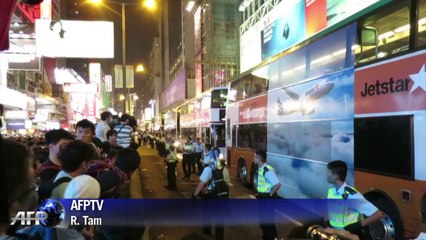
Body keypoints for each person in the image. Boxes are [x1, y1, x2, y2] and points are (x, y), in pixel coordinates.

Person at [326, 160, 383, 237]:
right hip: (334, 233)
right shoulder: (331, 191)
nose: (326, 175)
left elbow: (377, 214)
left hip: (347, 235)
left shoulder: (352, 195)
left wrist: (356, 226)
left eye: (328, 172)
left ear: (336, 176)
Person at [192, 143, 230, 240]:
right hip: (221, 197)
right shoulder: (224, 169)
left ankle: (207, 231)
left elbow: (201, 184)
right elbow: (227, 184)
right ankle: (219, 237)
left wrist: (194, 195)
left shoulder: (208, 169)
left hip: (211, 196)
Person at [37, 129, 74, 201]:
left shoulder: (68, 165)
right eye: (64, 145)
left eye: (71, 146)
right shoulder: (46, 171)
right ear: (51, 147)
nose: (68, 149)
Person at [254, 150, 281, 240]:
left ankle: (272, 237)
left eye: (255, 157)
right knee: (263, 223)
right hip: (262, 198)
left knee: (268, 223)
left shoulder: (268, 170)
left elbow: (278, 184)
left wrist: (270, 194)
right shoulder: (261, 169)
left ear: (259, 159)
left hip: (267, 199)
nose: (253, 159)